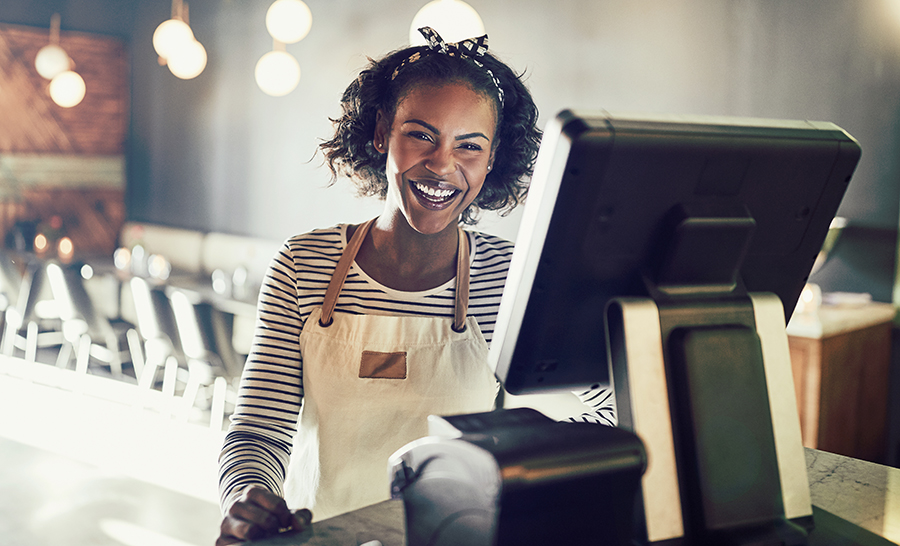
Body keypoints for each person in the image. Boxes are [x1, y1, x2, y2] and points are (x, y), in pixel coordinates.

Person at [216, 27, 616, 545]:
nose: (443, 164)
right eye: (422, 135)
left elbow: (604, 410)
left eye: (469, 146)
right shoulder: (305, 263)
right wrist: (248, 500)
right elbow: (258, 433)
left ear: (492, 158)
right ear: (383, 131)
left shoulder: (508, 276)